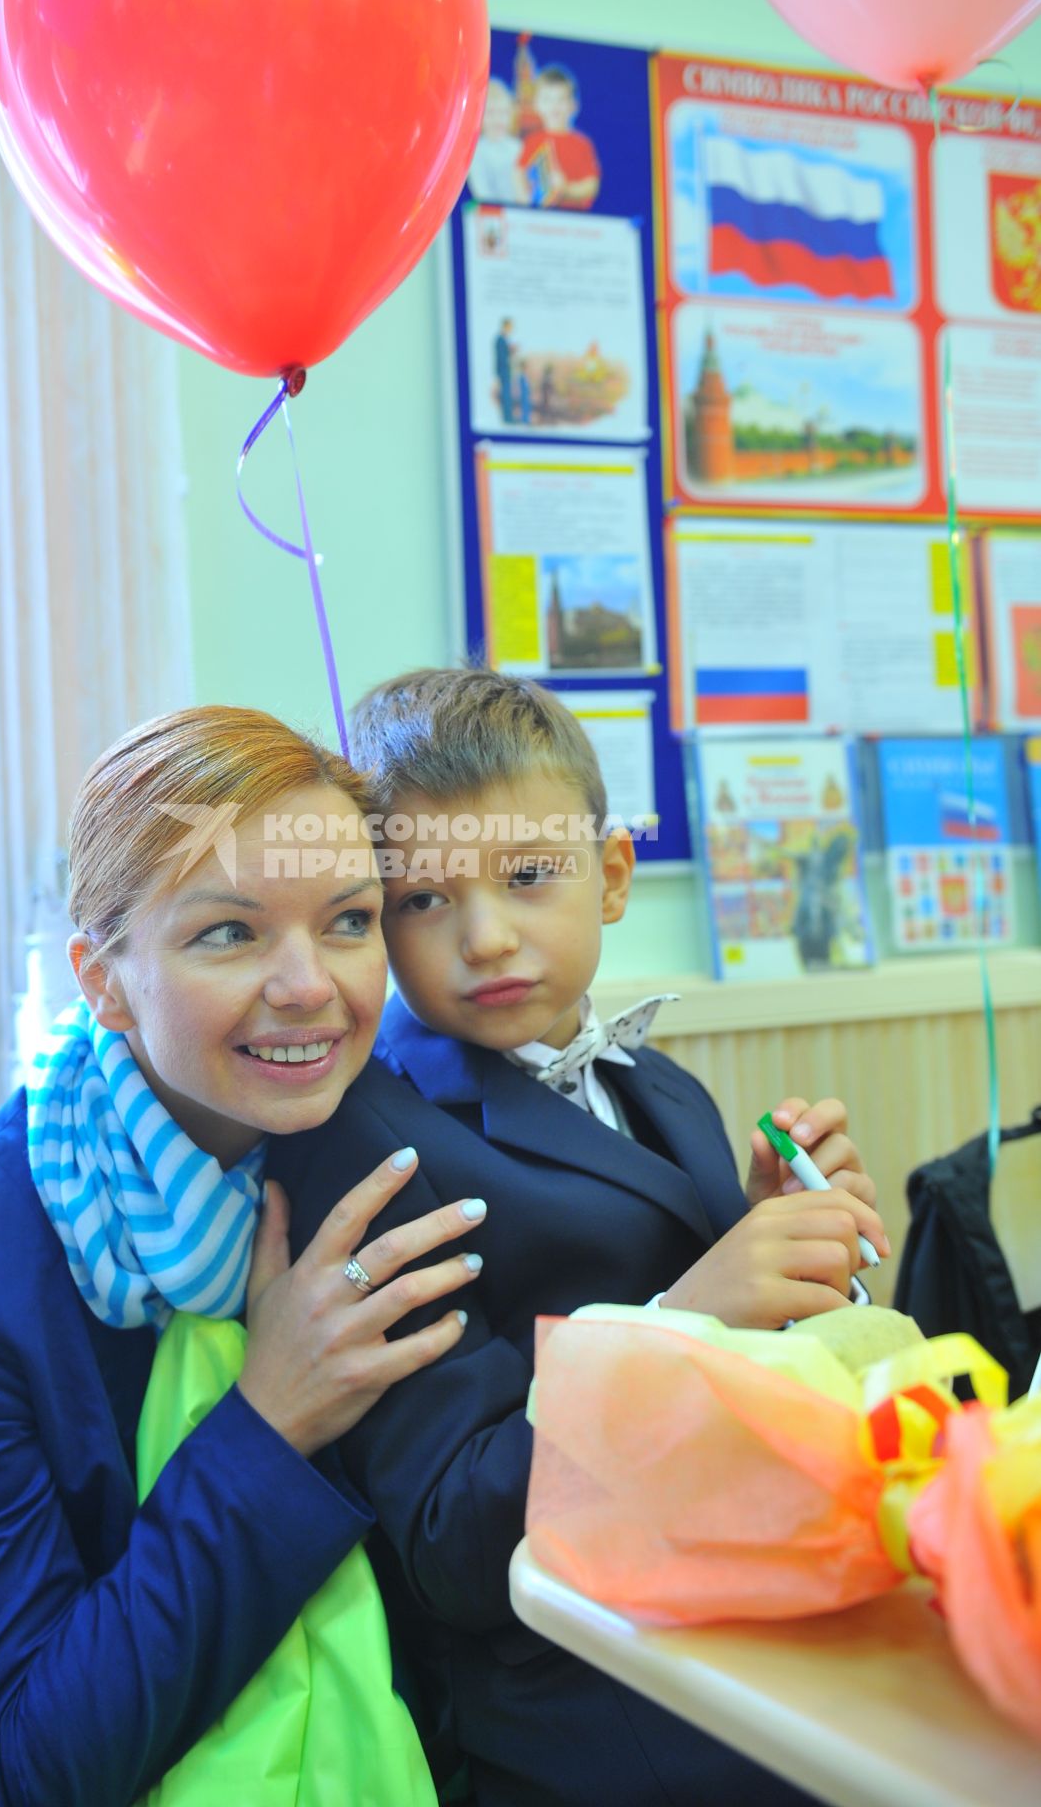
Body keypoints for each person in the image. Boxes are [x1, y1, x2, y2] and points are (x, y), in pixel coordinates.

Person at [0, 705, 488, 1807]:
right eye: (228, 934)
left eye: (347, 921)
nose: (307, 987)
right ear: (100, 977)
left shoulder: (394, 1144)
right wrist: (268, 1423)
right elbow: (23, 1769)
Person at [273, 667, 890, 1807]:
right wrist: (687, 1317)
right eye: (421, 899)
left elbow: (745, 1376)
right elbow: (452, 1536)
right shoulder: (373, 1143)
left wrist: (794, 1247)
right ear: (367, 914)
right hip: (597, 1710)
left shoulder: (664, 1090)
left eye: (527, 877)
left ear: (608, 877)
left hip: (765, 1610)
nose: (485, 936)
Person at [518, 64, 601, 210]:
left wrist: (566, 189)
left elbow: (591, 185)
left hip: (576, 221)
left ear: (573, 105)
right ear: (537, 104)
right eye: (547, 100)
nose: (554, 106)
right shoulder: (533, 140)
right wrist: (525, 203)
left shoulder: (582, 143)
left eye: (561, 100)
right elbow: (519, 173)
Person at [467, 78, 528, 205]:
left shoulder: (517, 147)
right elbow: (481, 191)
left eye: (503, 113)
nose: (497, 119)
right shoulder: (476, 152)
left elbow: (527, 186)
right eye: (491, 113)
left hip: (521, 214)